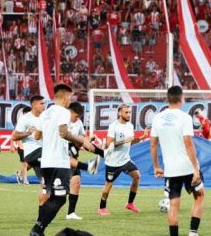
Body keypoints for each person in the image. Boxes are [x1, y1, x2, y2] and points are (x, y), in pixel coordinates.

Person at [30, 84, 93, 236]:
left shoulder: (45, 113)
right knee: (59, 199)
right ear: (65, 97)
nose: (70, 101)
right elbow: (64, 133)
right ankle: (37, 229)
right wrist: (81, 140)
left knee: (52, 197)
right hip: (59, 161)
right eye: (70, 98)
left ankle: (39, 229)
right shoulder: (64, 112)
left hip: (45, 162)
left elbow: (37, 136)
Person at [151, 86, 204, 236]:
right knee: (199, 196)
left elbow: (153, 144)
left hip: (170, 169)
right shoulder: (185, 117)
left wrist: (156, 166)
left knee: (174, 204)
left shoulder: (157, 118)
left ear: (167, 99)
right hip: (187, 167)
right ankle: (193, 232)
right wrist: (195, 169)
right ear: (181, 98)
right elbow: (188, 144)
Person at [99, 104, 148, 215]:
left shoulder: (130, 126)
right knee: (109, 184)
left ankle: (130, 203)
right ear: (119, 113)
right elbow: (109, 144)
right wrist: (124, 141)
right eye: (126, 112)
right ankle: (102, 208)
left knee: (137, 176)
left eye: (129, 112)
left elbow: (131, 141)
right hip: (113, 161)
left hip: (125, 160)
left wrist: (141, 138)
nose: (128, 114)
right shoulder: (113, 126)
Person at [66, 102, 101, 220]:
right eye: (76, 116)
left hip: (73, 154)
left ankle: (70, 213)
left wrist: (87, 140)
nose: (77, 119)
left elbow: (82, 137)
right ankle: (88, 167)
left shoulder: (79, 123)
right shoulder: (62, 121)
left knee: (76, 183)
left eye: (79, 117)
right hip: (59, 154)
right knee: (50, 192)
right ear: (69, 112)